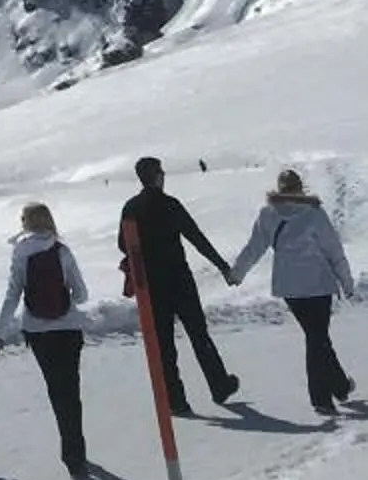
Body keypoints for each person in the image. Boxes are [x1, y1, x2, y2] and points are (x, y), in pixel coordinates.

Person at [228, 169, 357, 416]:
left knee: (317, 337)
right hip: (318, 286)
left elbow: (254, 248)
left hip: (290, 289)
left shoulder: (268, 214)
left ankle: (340, 386)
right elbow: (334, 251)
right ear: (300, 187)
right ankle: (321, 398)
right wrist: (347, 283)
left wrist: (237, 273)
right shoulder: (314, 213)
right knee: (317, 338)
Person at [119, 155, 239, 412]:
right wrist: (222, 266)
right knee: (199, 334)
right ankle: (219, 384)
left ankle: (175, 399)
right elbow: (196, 237)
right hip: (179, 279)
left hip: (151, 285)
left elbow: (123, 244)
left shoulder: (131, 208)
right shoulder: (170, 205)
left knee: (164, 342)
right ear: (157, 176)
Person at [0, 202, 93, 480]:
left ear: (26, 222)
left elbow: (13, 293)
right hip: (68, 329)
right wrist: (65, 299)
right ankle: (77, 455)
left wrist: (0, 330)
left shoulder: (21, 252)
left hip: (38, 331)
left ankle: (70, 454)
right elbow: (82, 294)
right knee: (71, 391)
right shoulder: (62, 250)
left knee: (56, 390)